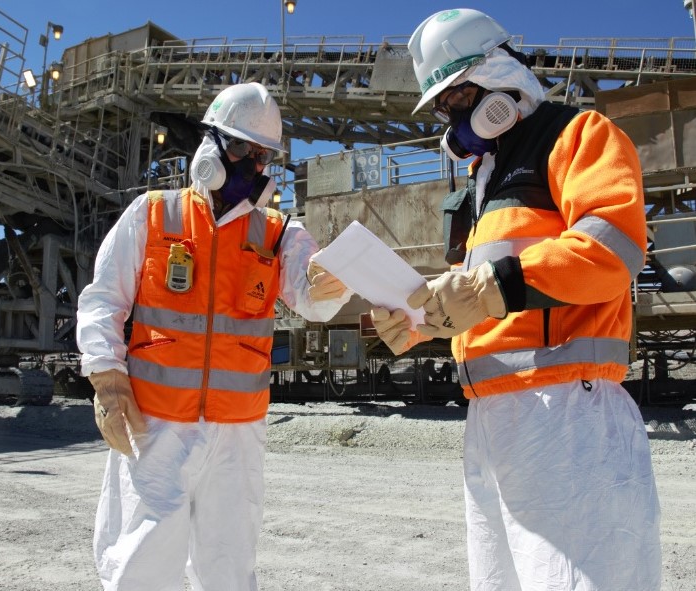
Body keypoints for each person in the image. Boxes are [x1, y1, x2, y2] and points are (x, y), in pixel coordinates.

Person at [372, 8, 662, 591]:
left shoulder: (577, 136)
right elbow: (489, 298)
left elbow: (613, 246)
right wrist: (424, 320)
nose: (450, 116)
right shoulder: (488, 178)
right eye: (443, 105)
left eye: (456, 98)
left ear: (498, 75)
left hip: (565, 410)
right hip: (492, 418)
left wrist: (489, 288)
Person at [76, 81, 351, 591]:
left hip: (237, 436)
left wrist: (329, 285)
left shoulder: (279, 233)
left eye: (264, 154)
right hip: (154, 424)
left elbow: (312, 298)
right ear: (212, 145)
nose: (254, 163)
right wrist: (108, 382)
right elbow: (103, 300)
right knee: (142, 564)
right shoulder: (154, 215)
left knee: (227, 569)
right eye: (243, 147)